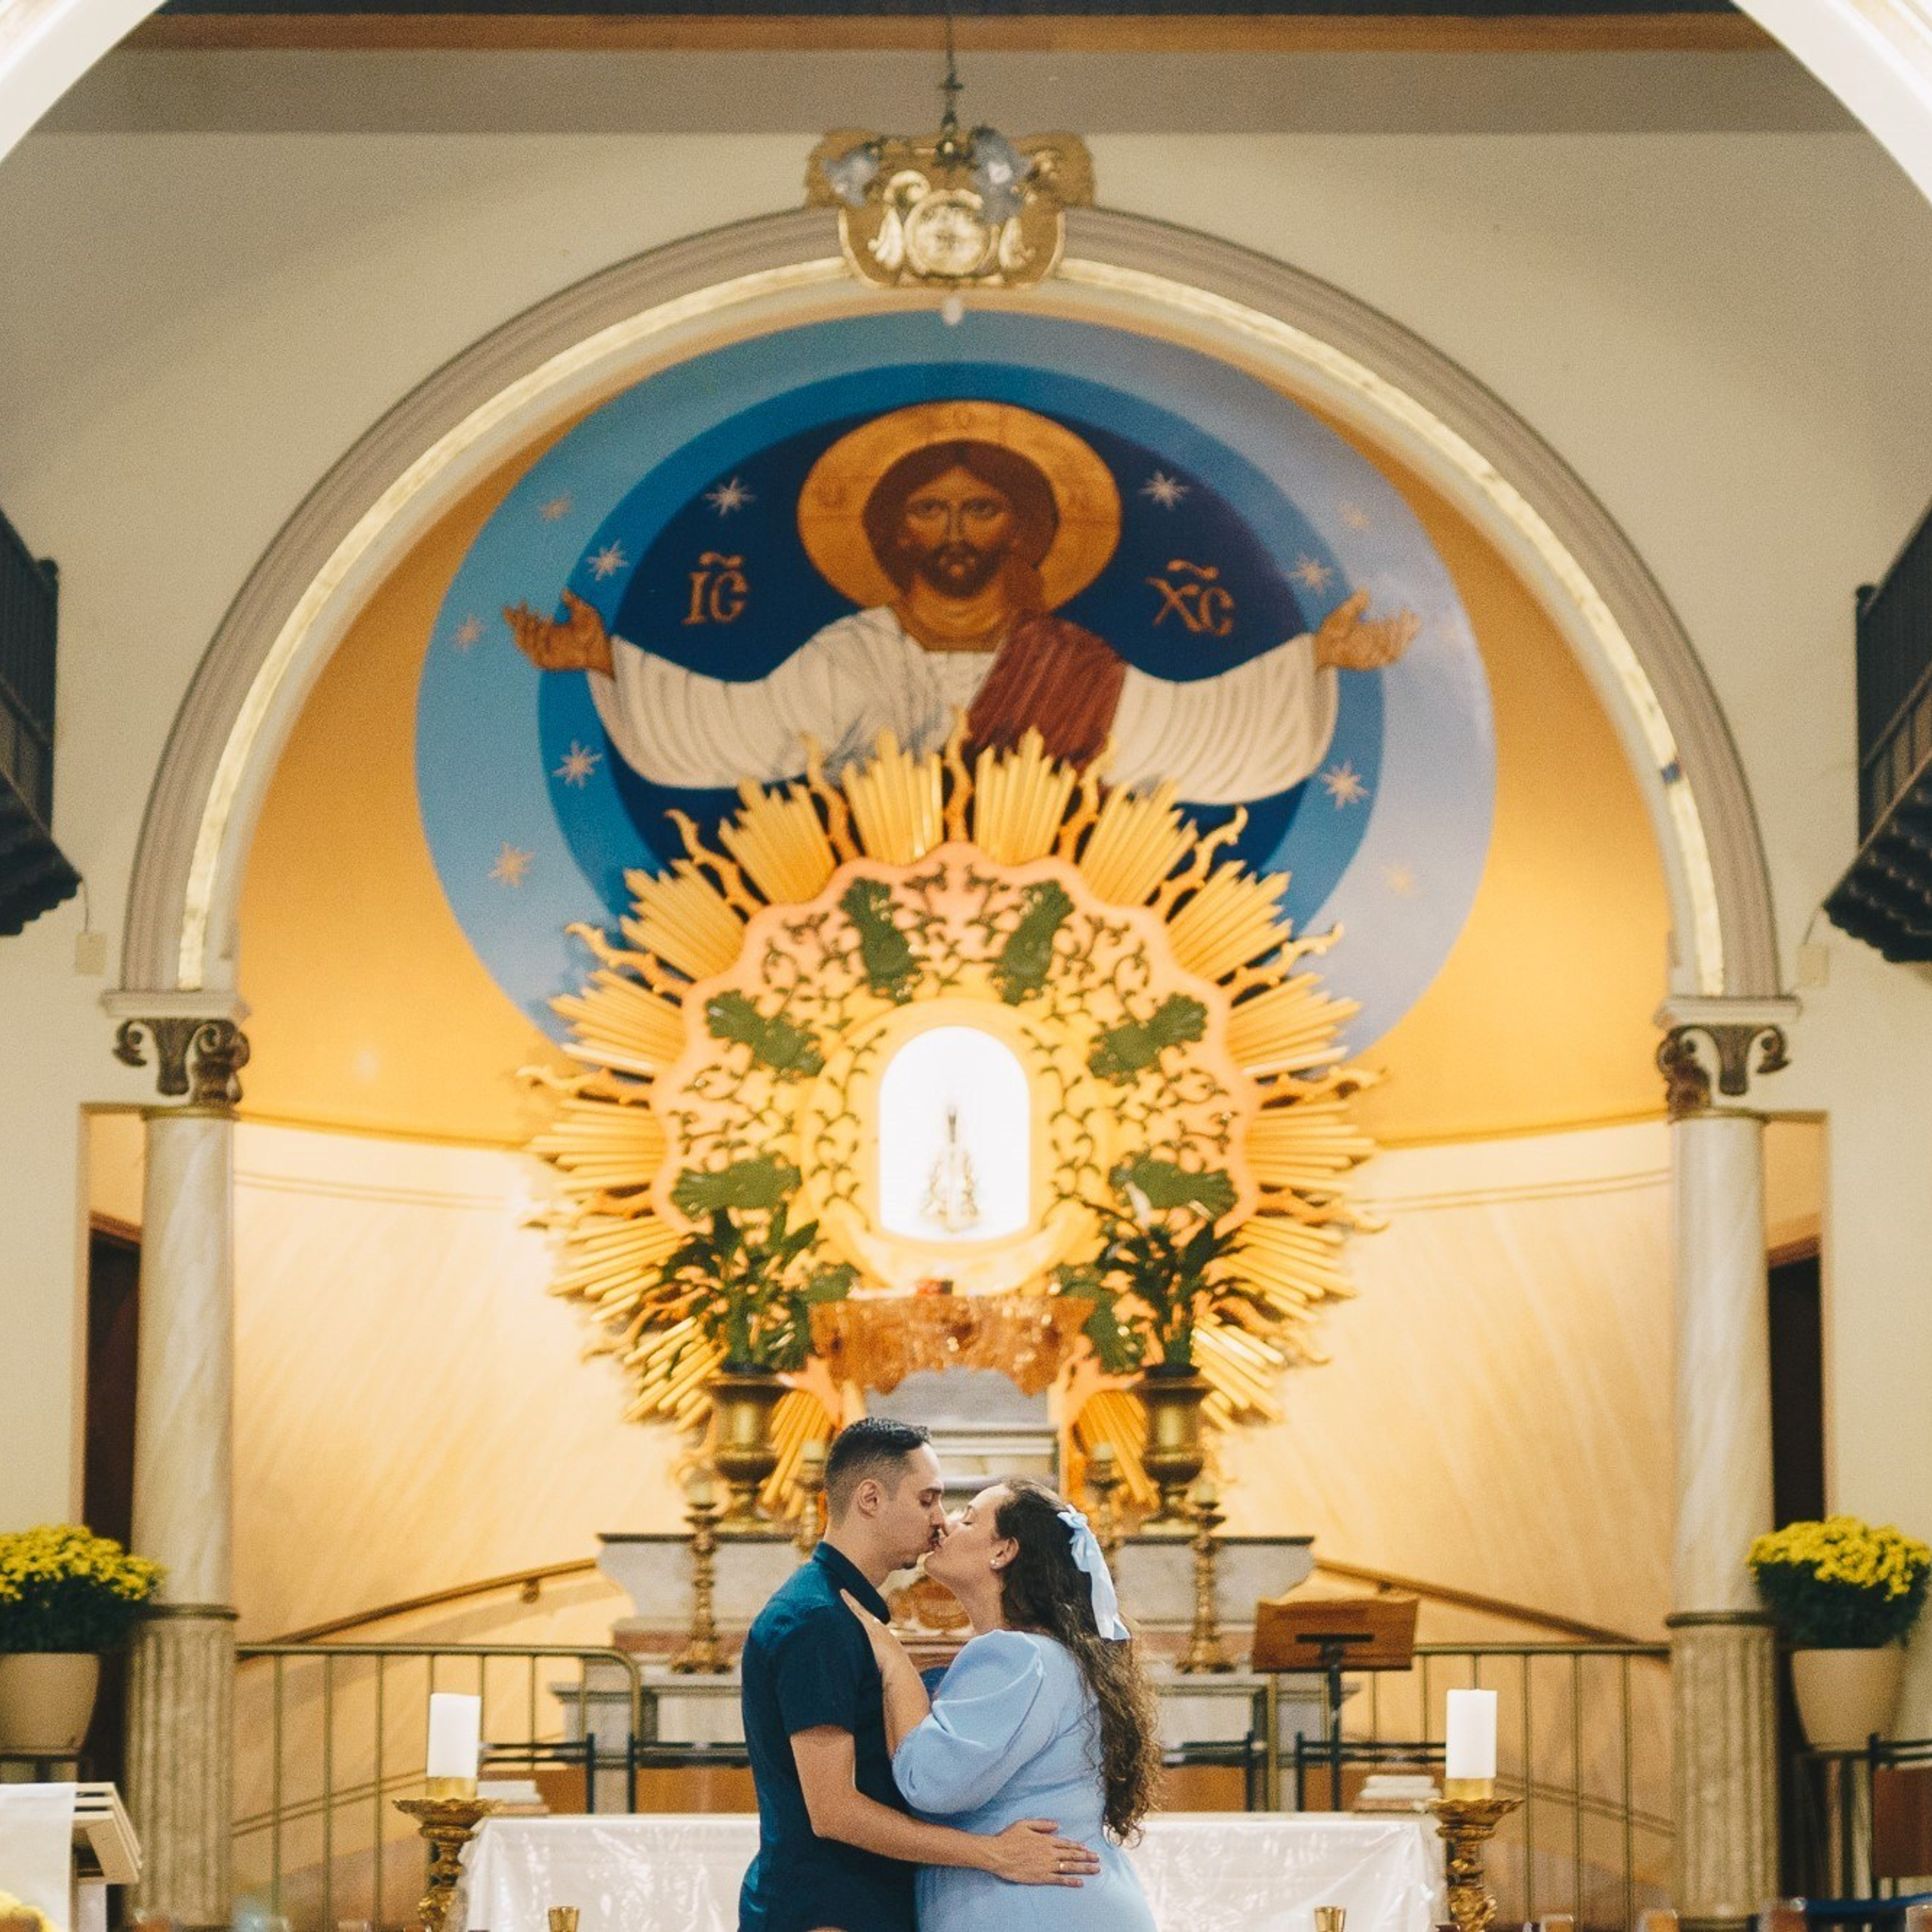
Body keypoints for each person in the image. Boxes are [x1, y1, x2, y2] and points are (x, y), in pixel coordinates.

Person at [504, 416, 1417, 803]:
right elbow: (741, 728)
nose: (954, 530)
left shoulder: (1068, 660)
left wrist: (1316, 662)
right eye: (929, 509)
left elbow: (1188, 732)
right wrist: (604, 661)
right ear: (892, 530)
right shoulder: (851, 653)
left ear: (1019, 529)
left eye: (979, 508)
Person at [738, 1420, 1101, 1932]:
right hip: (826, 1909)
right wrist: (994, 1854)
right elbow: (834, 1812)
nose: (940, 1521)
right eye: (928, 1499)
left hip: (865, 1902)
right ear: (870, 1498)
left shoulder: (850, 1614)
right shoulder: (815, 1620)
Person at [842, 1476, 1162, 1932]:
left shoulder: (1018, 1655)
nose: (945, 1524)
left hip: (1036, 1911)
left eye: (968, 1518)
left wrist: (892, 1660)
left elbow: (929, 1781)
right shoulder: (1050, 1652)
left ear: (1003, 1551)